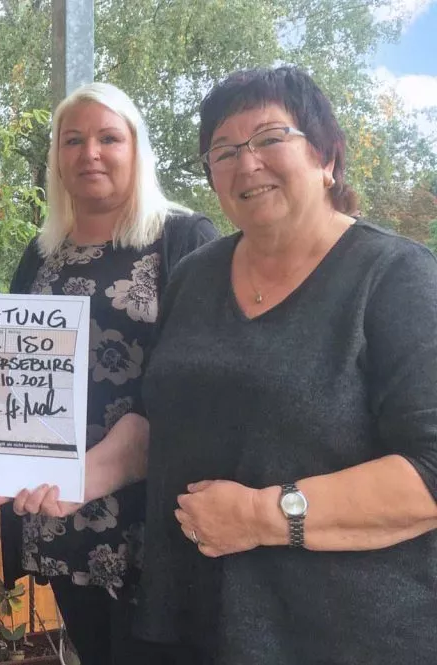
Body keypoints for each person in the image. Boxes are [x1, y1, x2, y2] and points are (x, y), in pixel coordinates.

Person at [134, 66, 437, 664]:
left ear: (327, 157)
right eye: (223, 151)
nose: (246, 164)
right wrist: (70, 475)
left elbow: (431, 472)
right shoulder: (193, 277)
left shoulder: (396, 277)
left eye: (270, 138)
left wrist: (259, 516)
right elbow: (160, 423)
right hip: (193, 621)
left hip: (343, 635)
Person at [0, 82, 218, 665]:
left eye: (108, 138)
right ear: (57, 159)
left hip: (157, 513)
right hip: (61, 513)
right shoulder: (41, 254)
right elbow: (9, 364)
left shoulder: (184, 239)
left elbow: (207, 375)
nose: (89, 153)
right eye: (73, 140)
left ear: (136, 149)